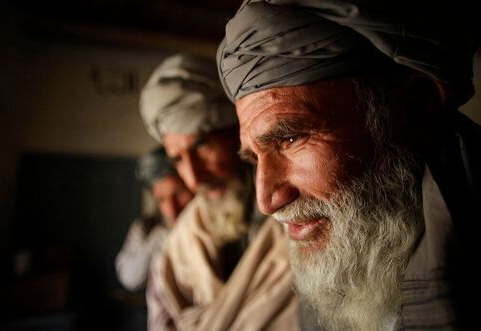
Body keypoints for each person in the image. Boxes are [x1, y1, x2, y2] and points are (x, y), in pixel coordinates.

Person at [217, 1, 480, 330]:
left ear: (417, 110)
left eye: (290, 139)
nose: (267, 200)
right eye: (254, 157)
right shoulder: (327, 278)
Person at [140, 53, 298, 330]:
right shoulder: (183, 239)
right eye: (177, 159)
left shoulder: (299, 220)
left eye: (202, 146)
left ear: (238, 131)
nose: (194, 177)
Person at [115, 147, 193, 291]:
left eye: (178, 194)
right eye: (162, 199)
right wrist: (159, 238)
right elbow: (129, 279)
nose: (172, 209)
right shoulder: (146, 227)